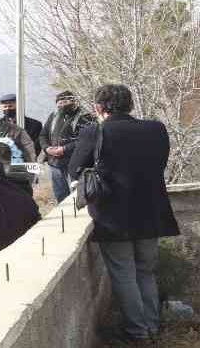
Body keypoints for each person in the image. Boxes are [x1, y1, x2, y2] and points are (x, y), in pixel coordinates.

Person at [68, 84, 179, 344]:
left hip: (113, 216)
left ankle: (137, 332)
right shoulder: (156, 129)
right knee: (146, 271)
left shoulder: (94, 131)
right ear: (130, 105)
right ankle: (152, 327)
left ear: (98, 107)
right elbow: (159, 163)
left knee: (123, 273)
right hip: (152, 211)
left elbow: (75, 169)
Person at [39, 91, 95, 203]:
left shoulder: (86, 117)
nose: (62, 105)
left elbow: (86, 140)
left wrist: (65, 149)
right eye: (59, 103)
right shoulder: (54, 116)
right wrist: (46, 148)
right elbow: (43, 135)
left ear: (74, 102)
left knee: (77, 196)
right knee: (61, 197)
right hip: (55, 164)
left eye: (65, 102)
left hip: (75, 164)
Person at [0, 94, 38, 162]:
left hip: (26, 161)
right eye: (5, 107)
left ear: (18, 106)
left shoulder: (34, 124)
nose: (7, 109)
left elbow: (36, 145)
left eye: (10, 106)